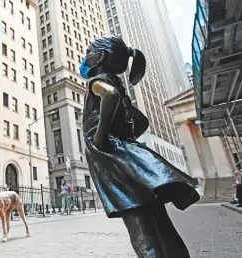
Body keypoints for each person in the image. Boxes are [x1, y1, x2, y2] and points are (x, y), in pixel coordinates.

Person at [79, 35, 200, 257]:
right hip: (129, 160)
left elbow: (110, 95)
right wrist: (124, 137)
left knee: (142, 232)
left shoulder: (98, 82)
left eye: (88, 53)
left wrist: (101, 136)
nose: (85, 58)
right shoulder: (120, 88)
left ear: (100, 58)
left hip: (115, 164)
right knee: (162, 226)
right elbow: (142, 121)